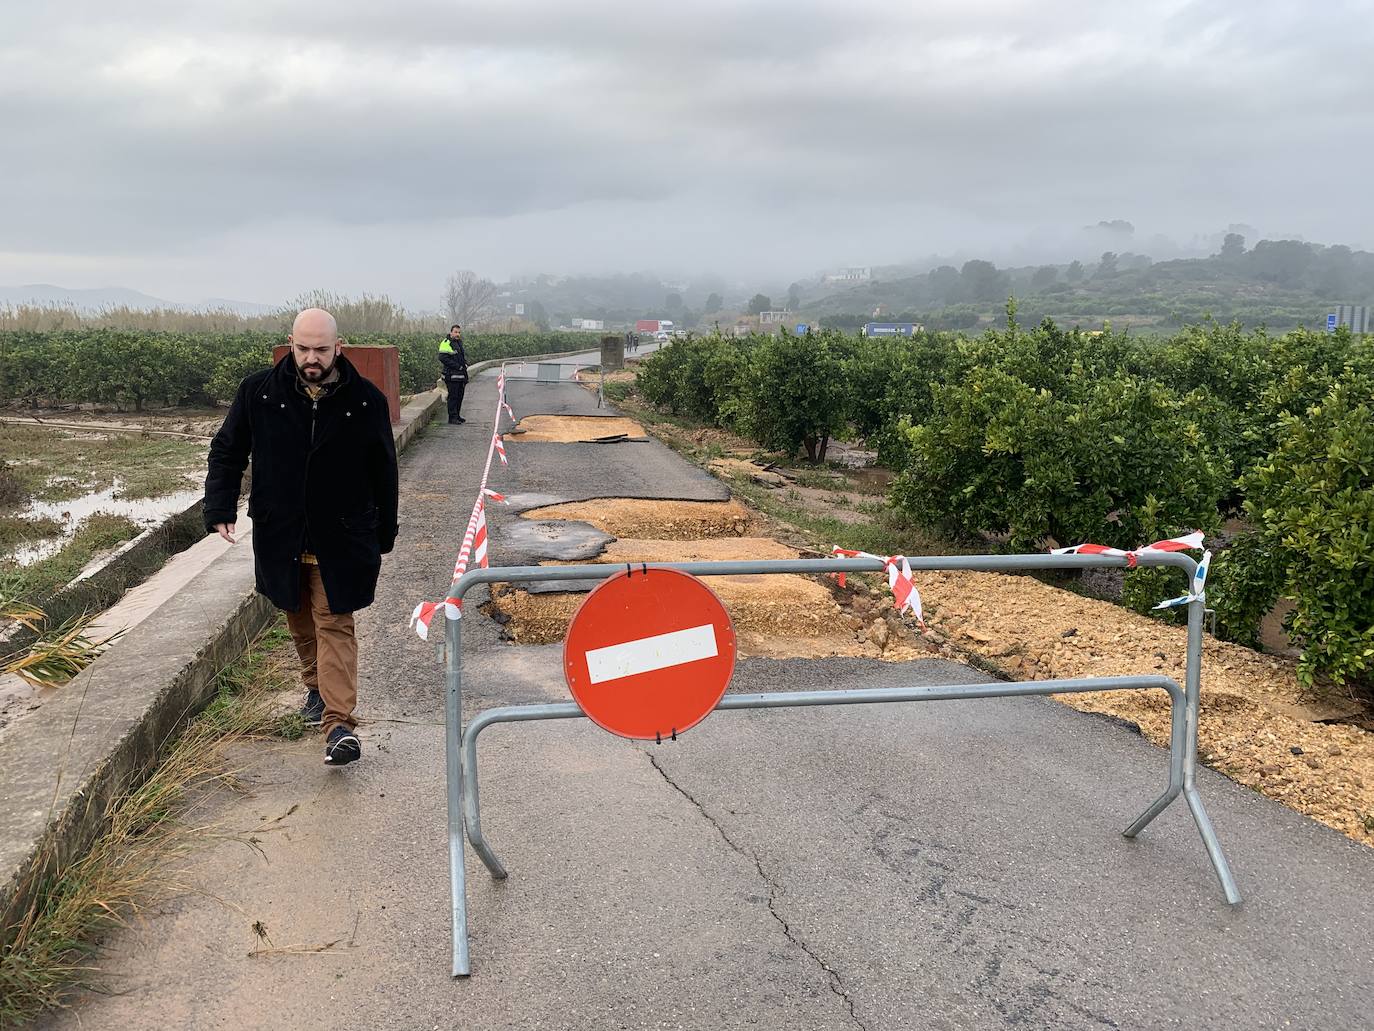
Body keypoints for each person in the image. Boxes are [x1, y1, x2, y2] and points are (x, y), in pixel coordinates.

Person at [202, 308, 399, 767]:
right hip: (282, 533)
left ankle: (339, 726)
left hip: (343, 537)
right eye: (303, 348)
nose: (312, 358)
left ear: (339, 347)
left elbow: (384, 472)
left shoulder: (365, 400)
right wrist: (219, 508)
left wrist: (383, 534)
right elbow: (227, 450)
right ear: (290, 342)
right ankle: (315, 687)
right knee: (297, 618)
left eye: (321, 349)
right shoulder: (259, 393)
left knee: (334, 622)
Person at [439, 324, 469, 424]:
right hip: (451, 375)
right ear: (451, 332)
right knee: (453, 396)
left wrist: (464, 364)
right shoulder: (446, 342)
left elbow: (460, 356)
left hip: (460, 375)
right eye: (455, 332)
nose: (457, 334)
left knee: (460, 396)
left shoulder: (458, 342)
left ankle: (457, 415)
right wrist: (457, 366)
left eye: (459, 332)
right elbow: (443, 358)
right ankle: (452, 417)